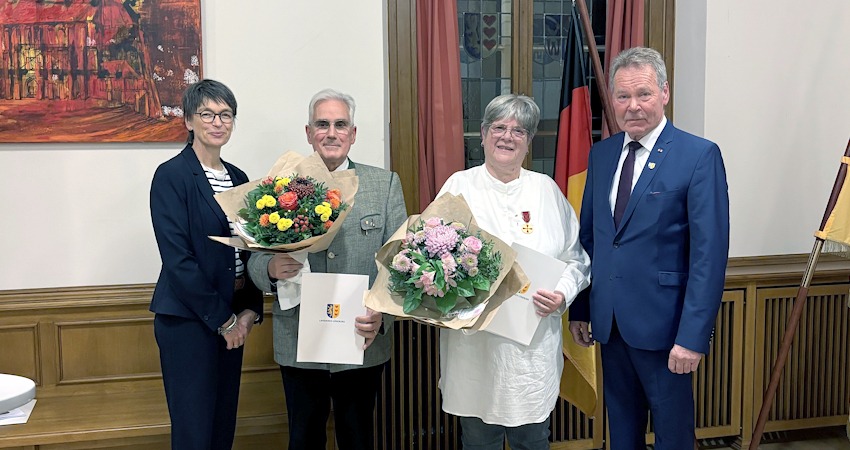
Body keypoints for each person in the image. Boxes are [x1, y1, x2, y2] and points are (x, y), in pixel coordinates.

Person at [568, 47, 730, 449]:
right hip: (610, 326)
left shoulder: (698, 155)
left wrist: (692, 337)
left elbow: (708, 256)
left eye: (643, 94)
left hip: (666, 331)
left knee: (673, 438)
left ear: (665, 93)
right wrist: (583, 309)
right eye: (622, 97)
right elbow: (592, 239)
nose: (633, 106)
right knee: (622, 435)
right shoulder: (602, 154)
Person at [247, 88, 407, 450]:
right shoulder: (279, 187)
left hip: (361, 338)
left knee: (358, 437)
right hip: (300, 340)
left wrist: (382, 316)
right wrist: (270, 267)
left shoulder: (384, 184)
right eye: (322, 124)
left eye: (340, 124)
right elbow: (254, 259)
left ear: (353, 133)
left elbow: (401, 266)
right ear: (308, 133)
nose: (331, 132)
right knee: (303, 439)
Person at [436, 94, 591, 449]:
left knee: (533, 439)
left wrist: (563, 293)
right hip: (475, 348)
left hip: (532, 351)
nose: (507, 136)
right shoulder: (458, 187)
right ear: (483, 133)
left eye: (518, 130)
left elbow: (577, 259)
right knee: (478, 439)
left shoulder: (547, 191)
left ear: (528, 141)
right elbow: (429, 258)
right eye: (499, 127)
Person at [149, 79, 264, 449]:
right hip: (188, 321)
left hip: (232, 316)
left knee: (221, 425)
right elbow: (179, 260)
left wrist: (247, 312)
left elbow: (249, 251)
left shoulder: (240, 178)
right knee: (194, 431)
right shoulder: (172, 176)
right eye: (208, 114)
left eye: (226, 115)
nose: (218, 122)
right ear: (188, 120)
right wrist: (224, 320)